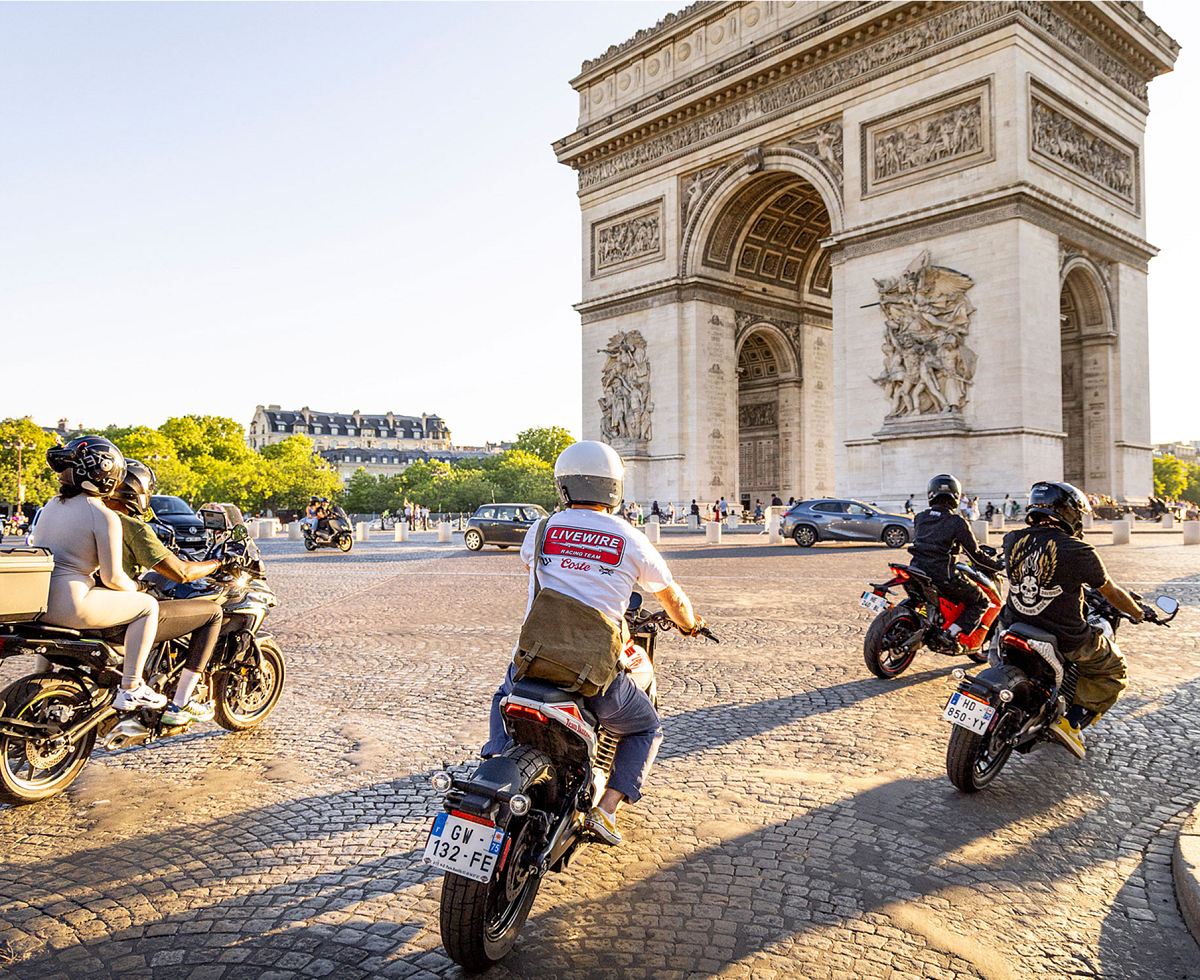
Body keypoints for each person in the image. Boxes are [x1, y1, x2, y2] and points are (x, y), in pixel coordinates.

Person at [480, 441, 704, 846]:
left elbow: (544, 573)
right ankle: (606, 810)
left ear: (563, 486)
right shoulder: (629, 538)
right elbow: (672, 598)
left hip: (533, 661)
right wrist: (689, 624)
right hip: (592, 675)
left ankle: (497, 761)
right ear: (614, 490)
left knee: (502, 694)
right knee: (646, 728)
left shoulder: (542, 529)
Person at [1000, 481, 1146, 757]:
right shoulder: (1078, 549)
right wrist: (1137, 613)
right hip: (1065, 637)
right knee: (1114, 670)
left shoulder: (1011, 539)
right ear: (1069, 513)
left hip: (1013, 624)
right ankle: (1071, 722)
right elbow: (1110, 592)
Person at [30, 436, 165, 710]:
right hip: (71, 604)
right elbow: (113, 578)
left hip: (38, 600)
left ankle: (40, 676)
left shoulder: (51, 505)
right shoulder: (102, 515)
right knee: (148, 608)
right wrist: (139, 589)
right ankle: (131, 687)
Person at [104, 460, 224, 725]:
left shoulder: (92, 515)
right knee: (213, 614)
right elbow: (181, 573)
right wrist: (217, 563)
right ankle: (181, 702)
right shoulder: (131, 526)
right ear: (139, 492)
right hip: (116, 612)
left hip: (86, 600)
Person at [908, 474, 1002, 646]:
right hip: (942, 576)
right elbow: (976, 556)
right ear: (956, 496)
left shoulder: (920, 517)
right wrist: (997, 565)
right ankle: (950, 634)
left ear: (931, 494)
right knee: (981, 601)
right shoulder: (957, 522)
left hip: (916, 570)